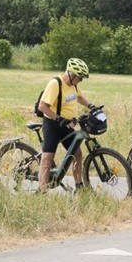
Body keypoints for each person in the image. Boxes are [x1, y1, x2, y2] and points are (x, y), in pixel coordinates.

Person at [37, 58, 95, 194]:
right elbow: (42, 106)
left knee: (77, 153)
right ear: (71, 74)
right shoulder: (55, 84)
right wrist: (59, 118)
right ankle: (43, 192)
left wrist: (90, 106)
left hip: (66, 125)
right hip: (52, 125)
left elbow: (79, 97)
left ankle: (79, 187)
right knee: (47, 158)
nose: (81, 81)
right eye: (80, 78)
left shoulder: (73, 85)